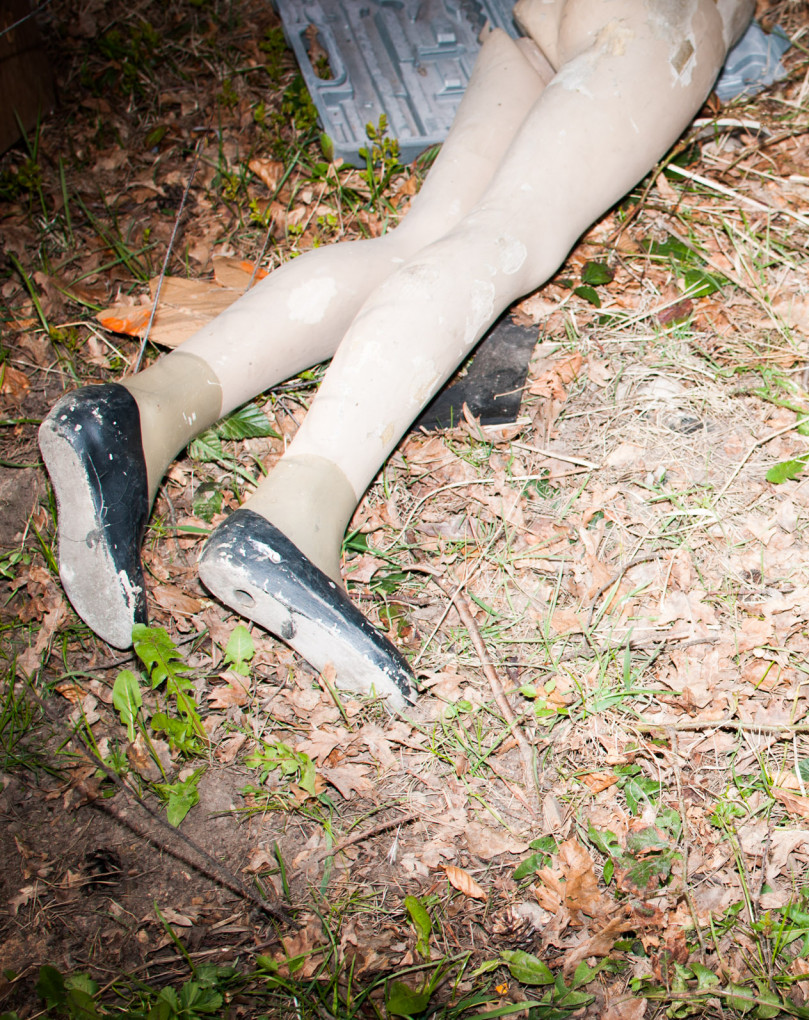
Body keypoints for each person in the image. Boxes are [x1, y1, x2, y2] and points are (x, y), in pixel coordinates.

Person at [40, 0, 755, 708]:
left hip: (528, 32)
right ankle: (296, 513)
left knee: (417, 240)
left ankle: (139, 414)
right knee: (511, 235)